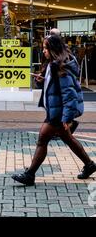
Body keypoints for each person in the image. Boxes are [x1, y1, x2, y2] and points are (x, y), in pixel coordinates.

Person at [12, 34, 96, 186]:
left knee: (42, 139)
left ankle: (30, 175)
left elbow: (69, 94)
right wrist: (41, 81)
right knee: (68, 138)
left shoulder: (60, 66)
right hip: (56, 110)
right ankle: (90, 165)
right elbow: (54, 86)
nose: (43, 51)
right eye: (43, 48)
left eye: (46, 48)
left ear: (54, 49)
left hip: (58, 113)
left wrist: (66, 118)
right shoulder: (53, 64)